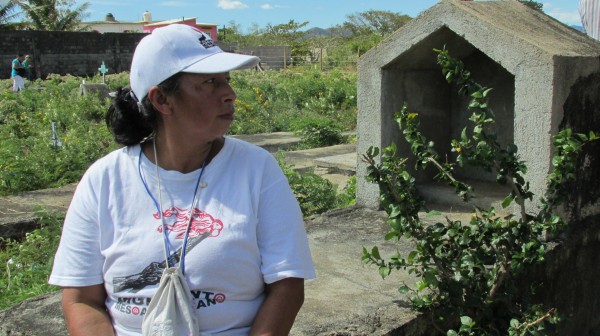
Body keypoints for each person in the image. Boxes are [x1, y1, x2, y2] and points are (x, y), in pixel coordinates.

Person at [49, 24, 316, 335]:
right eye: (209, 83)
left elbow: (287, 285)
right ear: (162, 99)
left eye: (227, 81)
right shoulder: (104, 180)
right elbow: (82, 300)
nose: (229, 95)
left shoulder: (256, 170)